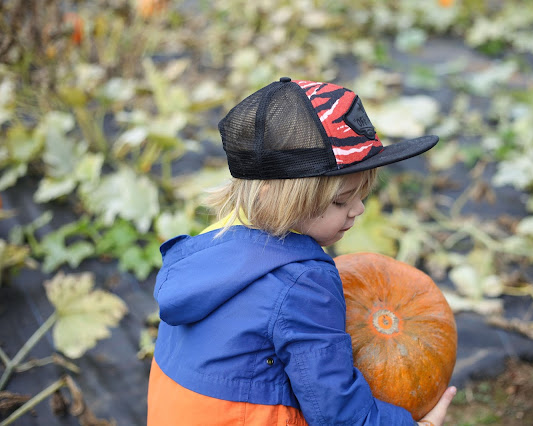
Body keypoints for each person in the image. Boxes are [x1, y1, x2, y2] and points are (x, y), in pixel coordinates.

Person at [147, 77, 457, 425]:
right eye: (341, 200)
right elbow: (336, 411)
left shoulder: (210, 244)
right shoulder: (304, 283)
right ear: (277, 200)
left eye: (360, 194)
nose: (359, 210)